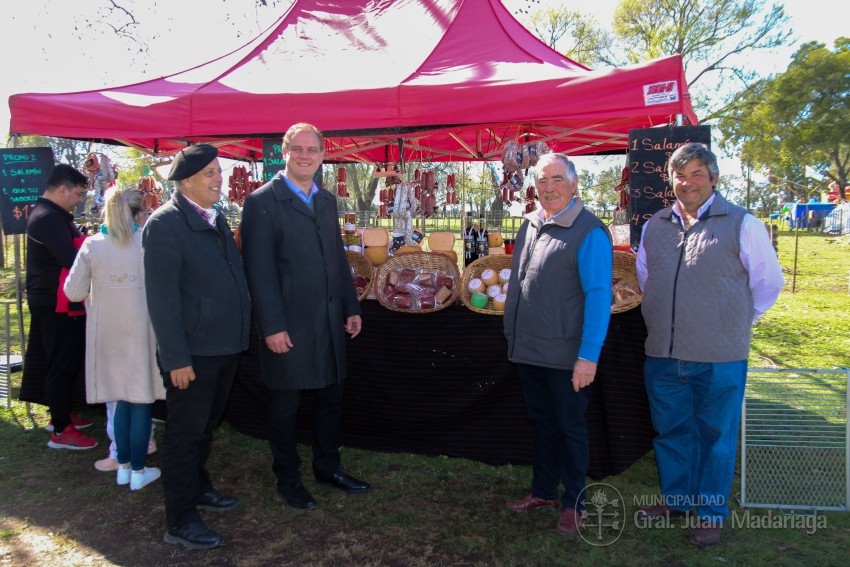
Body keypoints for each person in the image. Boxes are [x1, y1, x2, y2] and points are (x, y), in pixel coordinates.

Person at [635, 143, 784, 546]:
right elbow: (646, 278)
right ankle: (678, 500)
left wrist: (736, 320)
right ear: (671, 182)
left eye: (698, 174)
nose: (689, 183)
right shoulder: (655, 225)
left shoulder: (742, 223)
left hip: (720, 356)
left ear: (714, 178)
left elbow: (768, 284)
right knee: (671, 432)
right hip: (664, 354)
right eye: (681, 176)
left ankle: (711, 512)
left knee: (716, 437)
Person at [240, 122, 370, 511]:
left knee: (331, 400)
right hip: (290, 326)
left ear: (322, 155)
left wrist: (351, 306)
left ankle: (328, 467)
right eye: (298, 149)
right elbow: (258, 272)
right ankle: (288, 478)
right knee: (285, 408)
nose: (305, 156)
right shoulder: (262, 202)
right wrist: (273, 326)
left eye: (312, 150)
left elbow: (336, 260)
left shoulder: (327, 200)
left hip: (328, 322)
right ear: (284, 152)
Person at [143, 144, 252, 550]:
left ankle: (199, 487)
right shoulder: (166, 224)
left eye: (219, 171)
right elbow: (162, 298)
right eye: (209, 173)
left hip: (224, 346)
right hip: (193, 354)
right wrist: (176, 358)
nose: (218, 178)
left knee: (206, 427)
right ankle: (181, 518)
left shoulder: (216, 218)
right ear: (185, 180)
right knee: (185, 435)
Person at [502, 152, 613, 537]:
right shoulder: (530, 224)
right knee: (544, 424)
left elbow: (599, 297)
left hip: (566, 354)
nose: (548, 188)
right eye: (542, 181)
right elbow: (519, 282)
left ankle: (574, 503)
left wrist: (588, 355)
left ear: (574, 184)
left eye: (556, 180)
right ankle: (544, 491)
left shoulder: (589, 231)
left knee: (569, 426)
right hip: (529, 349)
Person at [64, 187, 165, 490]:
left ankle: (124, 466)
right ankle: (137, 468)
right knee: (140, 401)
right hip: (142, 331)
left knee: (120, 401)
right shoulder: (148, 243)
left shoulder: (93, 245)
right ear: (138, 213)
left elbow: (73, 291)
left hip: (107, 333)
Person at [23, 163, 97, 450]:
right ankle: (60, 428)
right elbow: (70, 259)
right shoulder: (47, 218)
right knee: (60, 363)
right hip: (55, 301)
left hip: (59, 299)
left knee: (64, 360)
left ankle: (62, 413)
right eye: (78, 194)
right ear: (62, 189)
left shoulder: (54, 215)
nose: (80, 200)